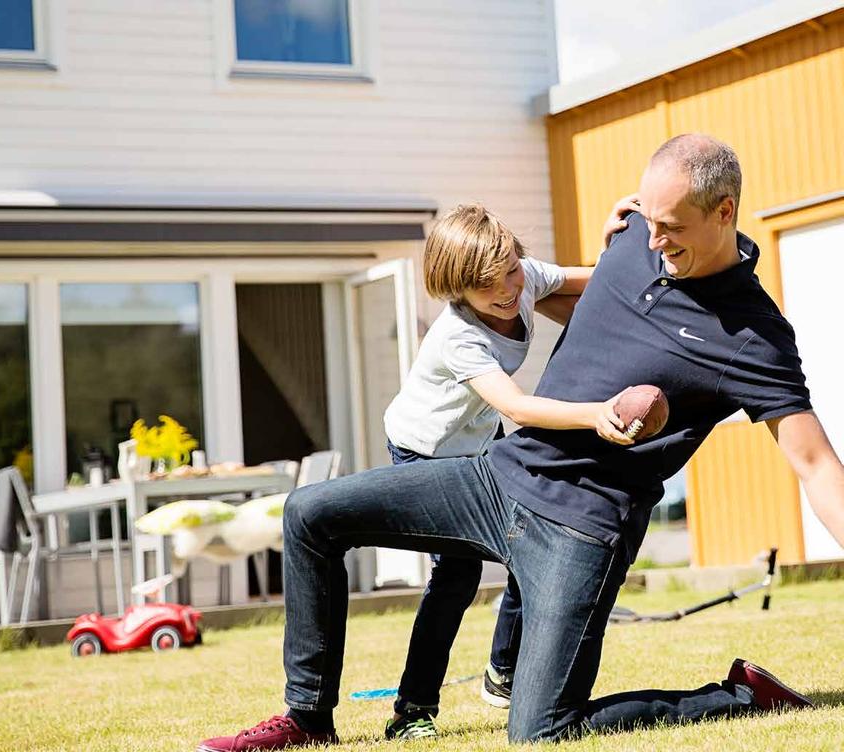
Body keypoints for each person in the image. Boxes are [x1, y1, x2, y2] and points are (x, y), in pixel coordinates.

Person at [196, 134, 844, 751]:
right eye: (647, 216)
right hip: (497, 477)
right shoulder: (633, 245)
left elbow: (815, 466)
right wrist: (623, 236)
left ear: (723, 212)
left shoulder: (754, 338)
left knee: (540, 731)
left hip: (581, 527)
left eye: (669, 225)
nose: (653, 238)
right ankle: (308, 717)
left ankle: (739, 696)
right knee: (311, 513)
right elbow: (592, 306)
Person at [381, 201, 638, 741]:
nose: (505, 290)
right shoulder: (458, 336)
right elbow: (517, 408)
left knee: (533, 544)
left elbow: (595, 280)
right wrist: (597, 414)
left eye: (511, 271)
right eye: (486, 285)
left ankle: (501, 673)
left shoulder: (521, 280)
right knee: (457, 577)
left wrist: (620, 242)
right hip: (425, 450)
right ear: (454, 289)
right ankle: (411, 711)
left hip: (477, 441)